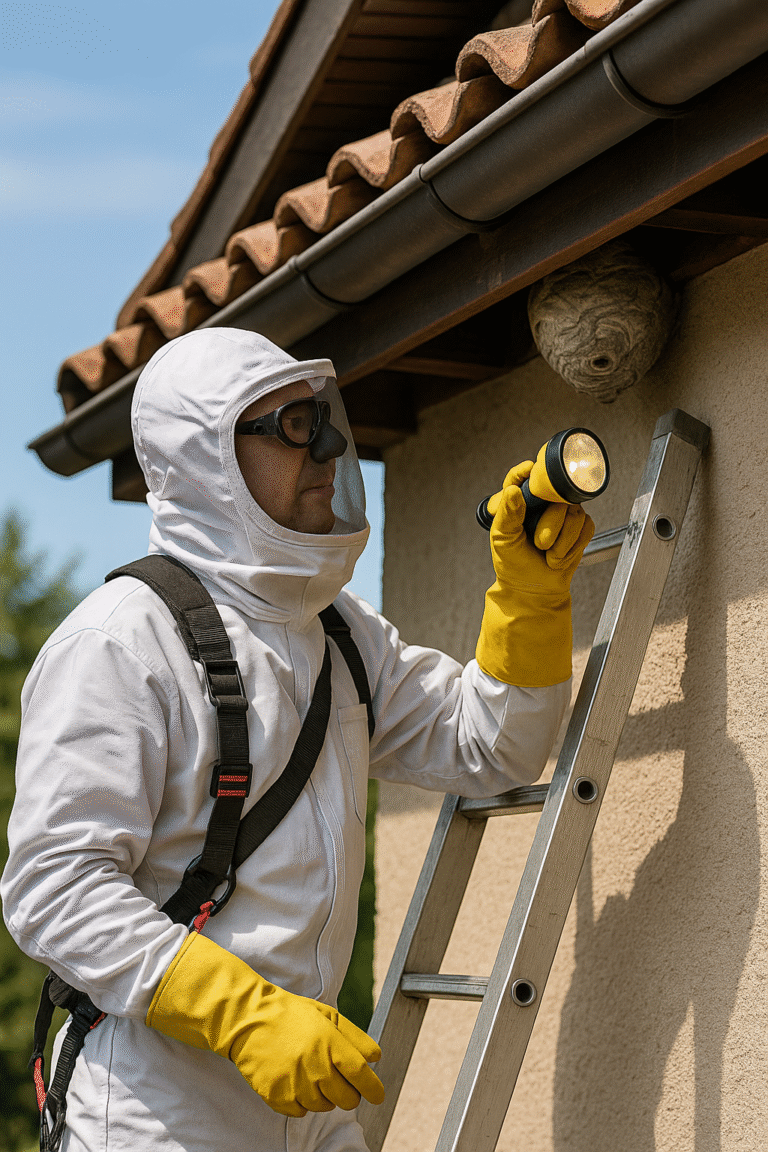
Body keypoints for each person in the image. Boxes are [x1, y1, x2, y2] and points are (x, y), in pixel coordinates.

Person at [1, 328, 593, 1152]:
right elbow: (53, 889)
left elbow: (490, 749)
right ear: (205, 460)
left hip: (313, 1108)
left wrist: (528, 599)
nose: (324, 446)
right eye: (284, 427)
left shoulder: (340, 633)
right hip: (158, 1115)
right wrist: (246, 1017)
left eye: (319, 417)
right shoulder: (121, 640)